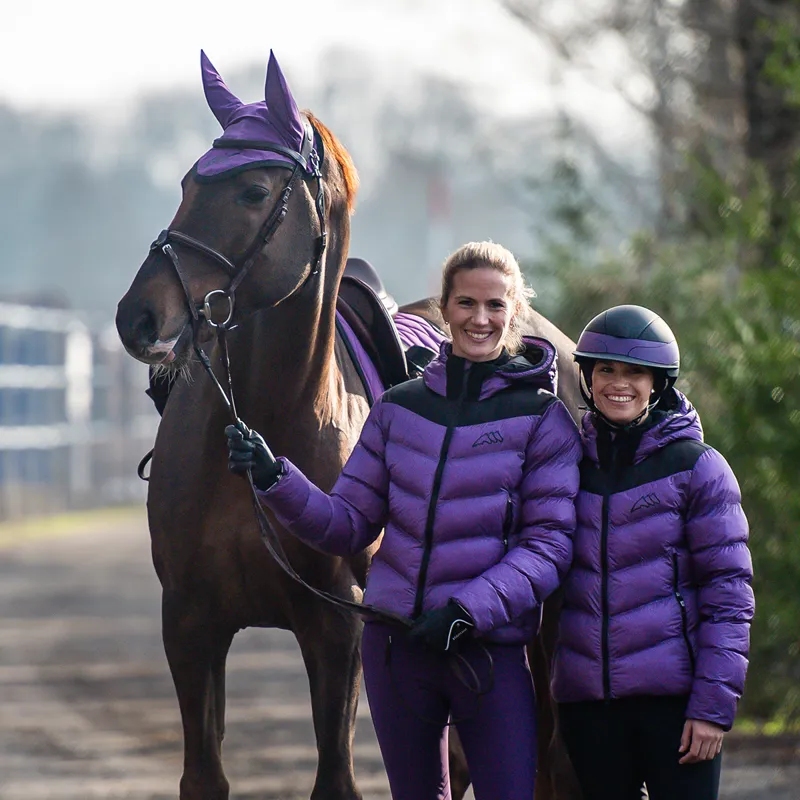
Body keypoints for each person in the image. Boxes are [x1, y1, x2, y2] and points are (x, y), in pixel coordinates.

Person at [226, 241, 581, 800]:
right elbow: (347, 525)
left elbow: (548, 548)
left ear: (514, 311)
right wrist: (277, 478)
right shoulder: (397, 408)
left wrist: (466, 611)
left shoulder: (543, 420)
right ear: (445, 308)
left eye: (495, 305)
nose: (480, 318)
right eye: (466, 303)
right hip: (398, 650)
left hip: (486, 654)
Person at [552, 304, 755, 800]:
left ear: (658, 383)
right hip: (590, 710)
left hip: (676, 708)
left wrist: (712, 709)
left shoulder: (699, 468)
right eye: (606, 369)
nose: (619, 383)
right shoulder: (565, 467)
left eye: (635, 372)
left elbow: (729, 597)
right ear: (588, 377)